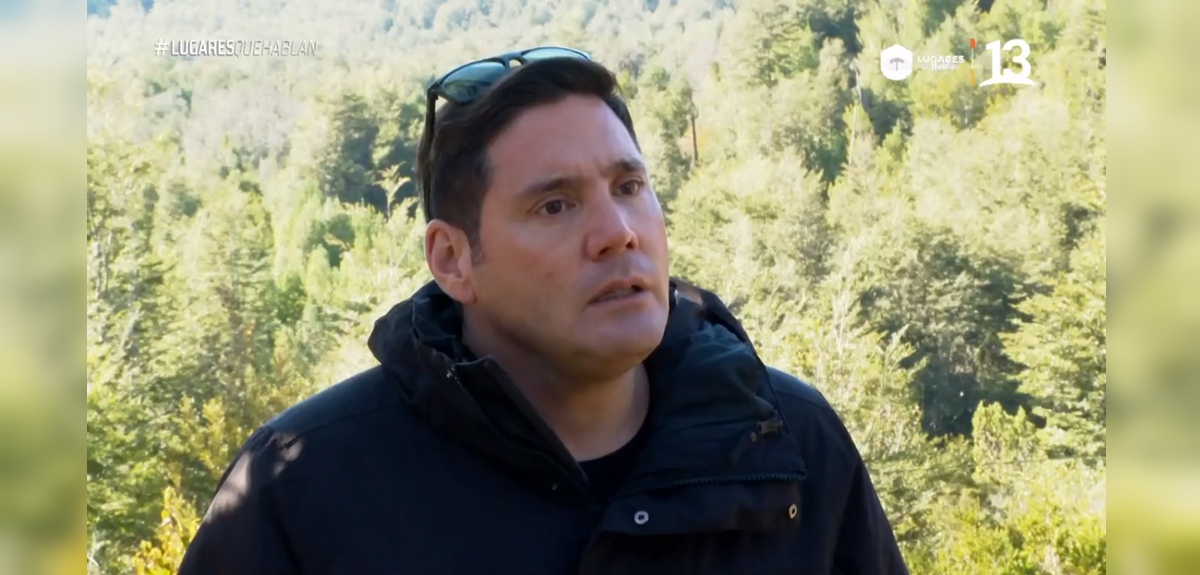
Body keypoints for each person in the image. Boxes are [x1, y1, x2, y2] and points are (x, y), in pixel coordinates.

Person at [178, 47, 909, 574]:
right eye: (555, 205)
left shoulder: (787, 443)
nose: (617, 232)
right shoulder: (308, 485)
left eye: (629, 187)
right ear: (452, 260)